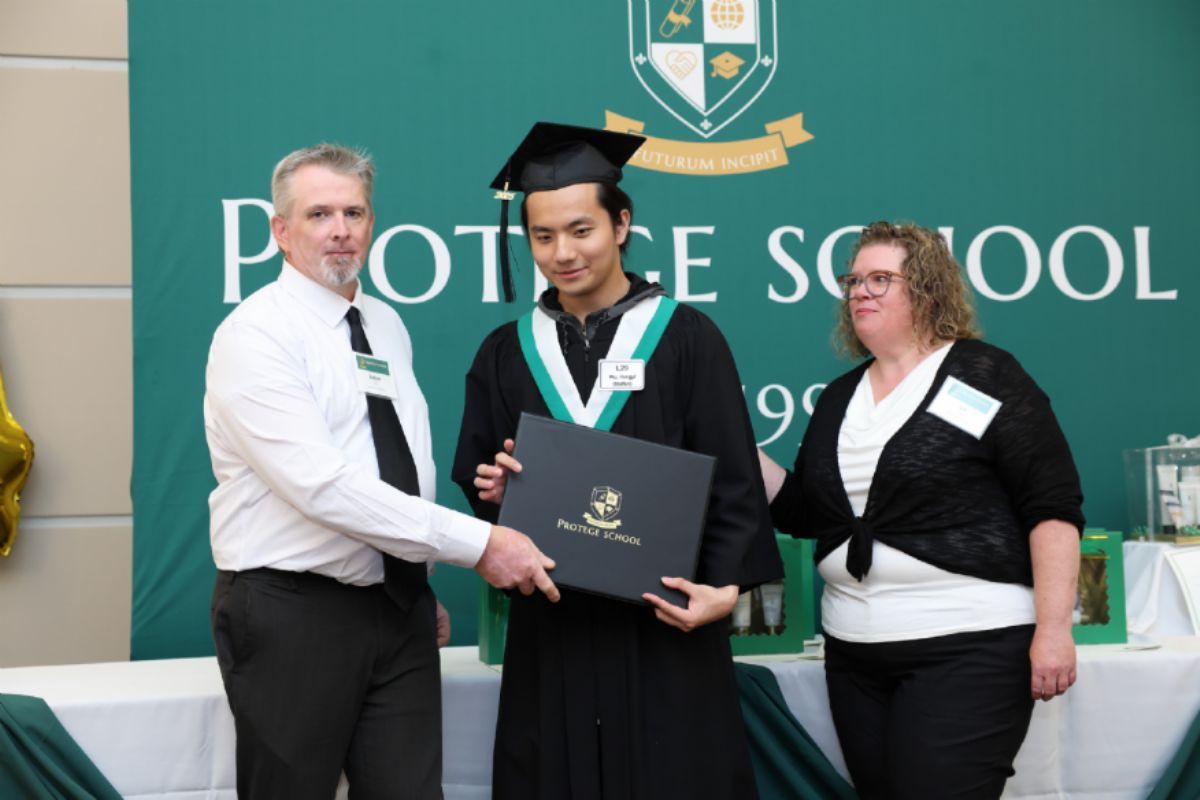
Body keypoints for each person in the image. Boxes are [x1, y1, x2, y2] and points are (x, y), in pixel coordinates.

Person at [204, 142, 559, 800]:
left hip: (397, 613)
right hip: (293, 614)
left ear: (372, 223)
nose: (340, 230)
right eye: (318, 215)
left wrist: (409, 578)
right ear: (281, 230)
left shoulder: (385, 324)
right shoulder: (254, 335)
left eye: (354, 213)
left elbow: (394, 460)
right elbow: (321, 486)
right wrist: (478, 544)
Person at [451, 122, 784, 800]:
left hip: (664, 624)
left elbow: (734, 480)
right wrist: (496, 497)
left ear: (621, 223)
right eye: (542, 236)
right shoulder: (506, 352)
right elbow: (480, 478)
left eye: (582, 230)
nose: (562, 253)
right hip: (555, 626)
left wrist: (724, 590)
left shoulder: (686, 338)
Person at [759, 221, 1084, 800]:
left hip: (970, 644)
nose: (860, 291)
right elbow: (808, 515)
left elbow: (1051, 506)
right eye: (853, 280)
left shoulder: (985, 374)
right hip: (855, 655)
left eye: (880, 279)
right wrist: (737, 445)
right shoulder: (840, 397)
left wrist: (1054, 629)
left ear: (929, 290)